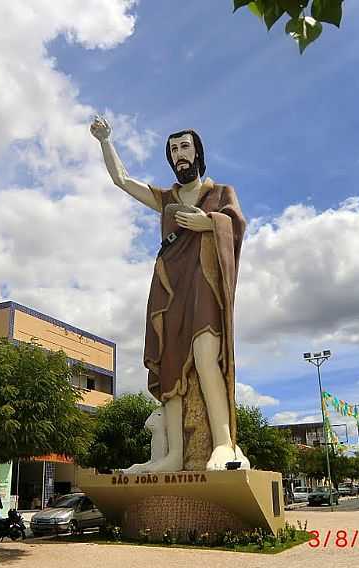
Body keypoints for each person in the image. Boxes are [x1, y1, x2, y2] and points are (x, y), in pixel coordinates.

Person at [91, 116, 250, 472]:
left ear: (197, 152)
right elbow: (122, 180)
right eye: (174, 149)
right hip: (170, 288)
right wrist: (105, 141)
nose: (179, 154)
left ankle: (224, 444)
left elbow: (236, 225)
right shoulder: (167, 199)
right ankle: (173, 455)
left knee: (206, 356)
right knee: (171, 368)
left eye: (184, 147)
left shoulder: (221, 193)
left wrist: (210, 223)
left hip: (205, 285)